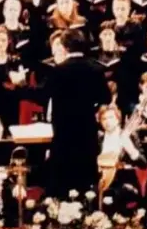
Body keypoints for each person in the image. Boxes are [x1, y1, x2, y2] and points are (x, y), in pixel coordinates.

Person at [44, 28, 109, 197]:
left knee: (63, 179)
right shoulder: (96, 69)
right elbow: (105, 98)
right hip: (86, 132)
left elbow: (44, 96)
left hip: (63, 133)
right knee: (86, 180)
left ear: (65, 47)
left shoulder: (58, 70)